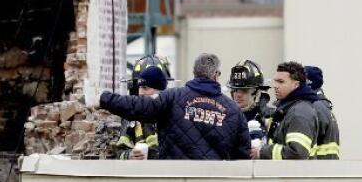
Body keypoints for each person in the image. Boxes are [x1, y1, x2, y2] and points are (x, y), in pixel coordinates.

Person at [99, 52, 251, 160]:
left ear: (194, 72)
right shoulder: (234, 111)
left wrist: (104, 99)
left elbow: (139, 106)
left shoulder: (173, 97)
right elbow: (243, 158)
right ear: (216, 75)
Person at [254, 61, 321, 160]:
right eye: (275, 81)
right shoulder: (288, 108)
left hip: (294, 175)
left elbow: (297, 153)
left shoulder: (299, 112)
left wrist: (262, 152)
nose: (275, 85)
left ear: (296, 85)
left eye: (281, 82)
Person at [115, 56, 170, 160]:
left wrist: (152, 154)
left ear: (161, 90)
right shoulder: (131, 116)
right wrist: (130, 155)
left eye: (145, 88)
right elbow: (119, 153)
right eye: (139, 87)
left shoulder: (173, 113)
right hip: (140, 174)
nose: (140, 93)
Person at [227, 59, 274, 145]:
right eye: (235, 89)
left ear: (257, 92)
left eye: (244, 90)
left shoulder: (270, 118)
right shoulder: (224, 117)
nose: (238, 95)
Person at [304, 64, 341, 159]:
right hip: (324, 168)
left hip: (317, 169)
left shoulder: (314, 107)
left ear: (308, 83)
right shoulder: (321, 105)